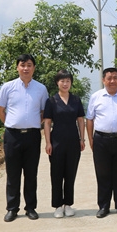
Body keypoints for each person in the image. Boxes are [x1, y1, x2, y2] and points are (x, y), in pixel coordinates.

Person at [0, 54, 49, 222]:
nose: (26, 68)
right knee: (13, 173)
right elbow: (0, 110)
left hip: (32, 136)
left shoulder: (41, 89)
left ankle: (31, 208)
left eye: (29, 65)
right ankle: (12, 208)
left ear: (34, 68)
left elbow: (44, 112)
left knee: (31, 174)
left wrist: (33, 123)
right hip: (12, 136)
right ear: (17, 67)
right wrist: (11, 123)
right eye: (22, 65)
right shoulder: (8, 87)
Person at [86, 67, 117, 218]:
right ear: (103, 80)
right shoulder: (96, 96)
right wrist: (91, 139)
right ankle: (103, 206)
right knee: (103, 174)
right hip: (101, 139)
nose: (112, 81)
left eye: (115, 78)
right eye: (109, 78)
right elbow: (89, 119)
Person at [43, 70, 86, 218]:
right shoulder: (51, 101)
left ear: (71, 82)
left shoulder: (76, 100)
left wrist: (82, 139)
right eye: (62, 81)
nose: (65, 84)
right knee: (56, 174)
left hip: (73, 141)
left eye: (68, 81)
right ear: (57, 83)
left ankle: (68, 204)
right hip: (56, 142)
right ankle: (57, 205)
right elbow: (47, 123)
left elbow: (80, 120)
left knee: (70, 173)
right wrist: (48, 142)